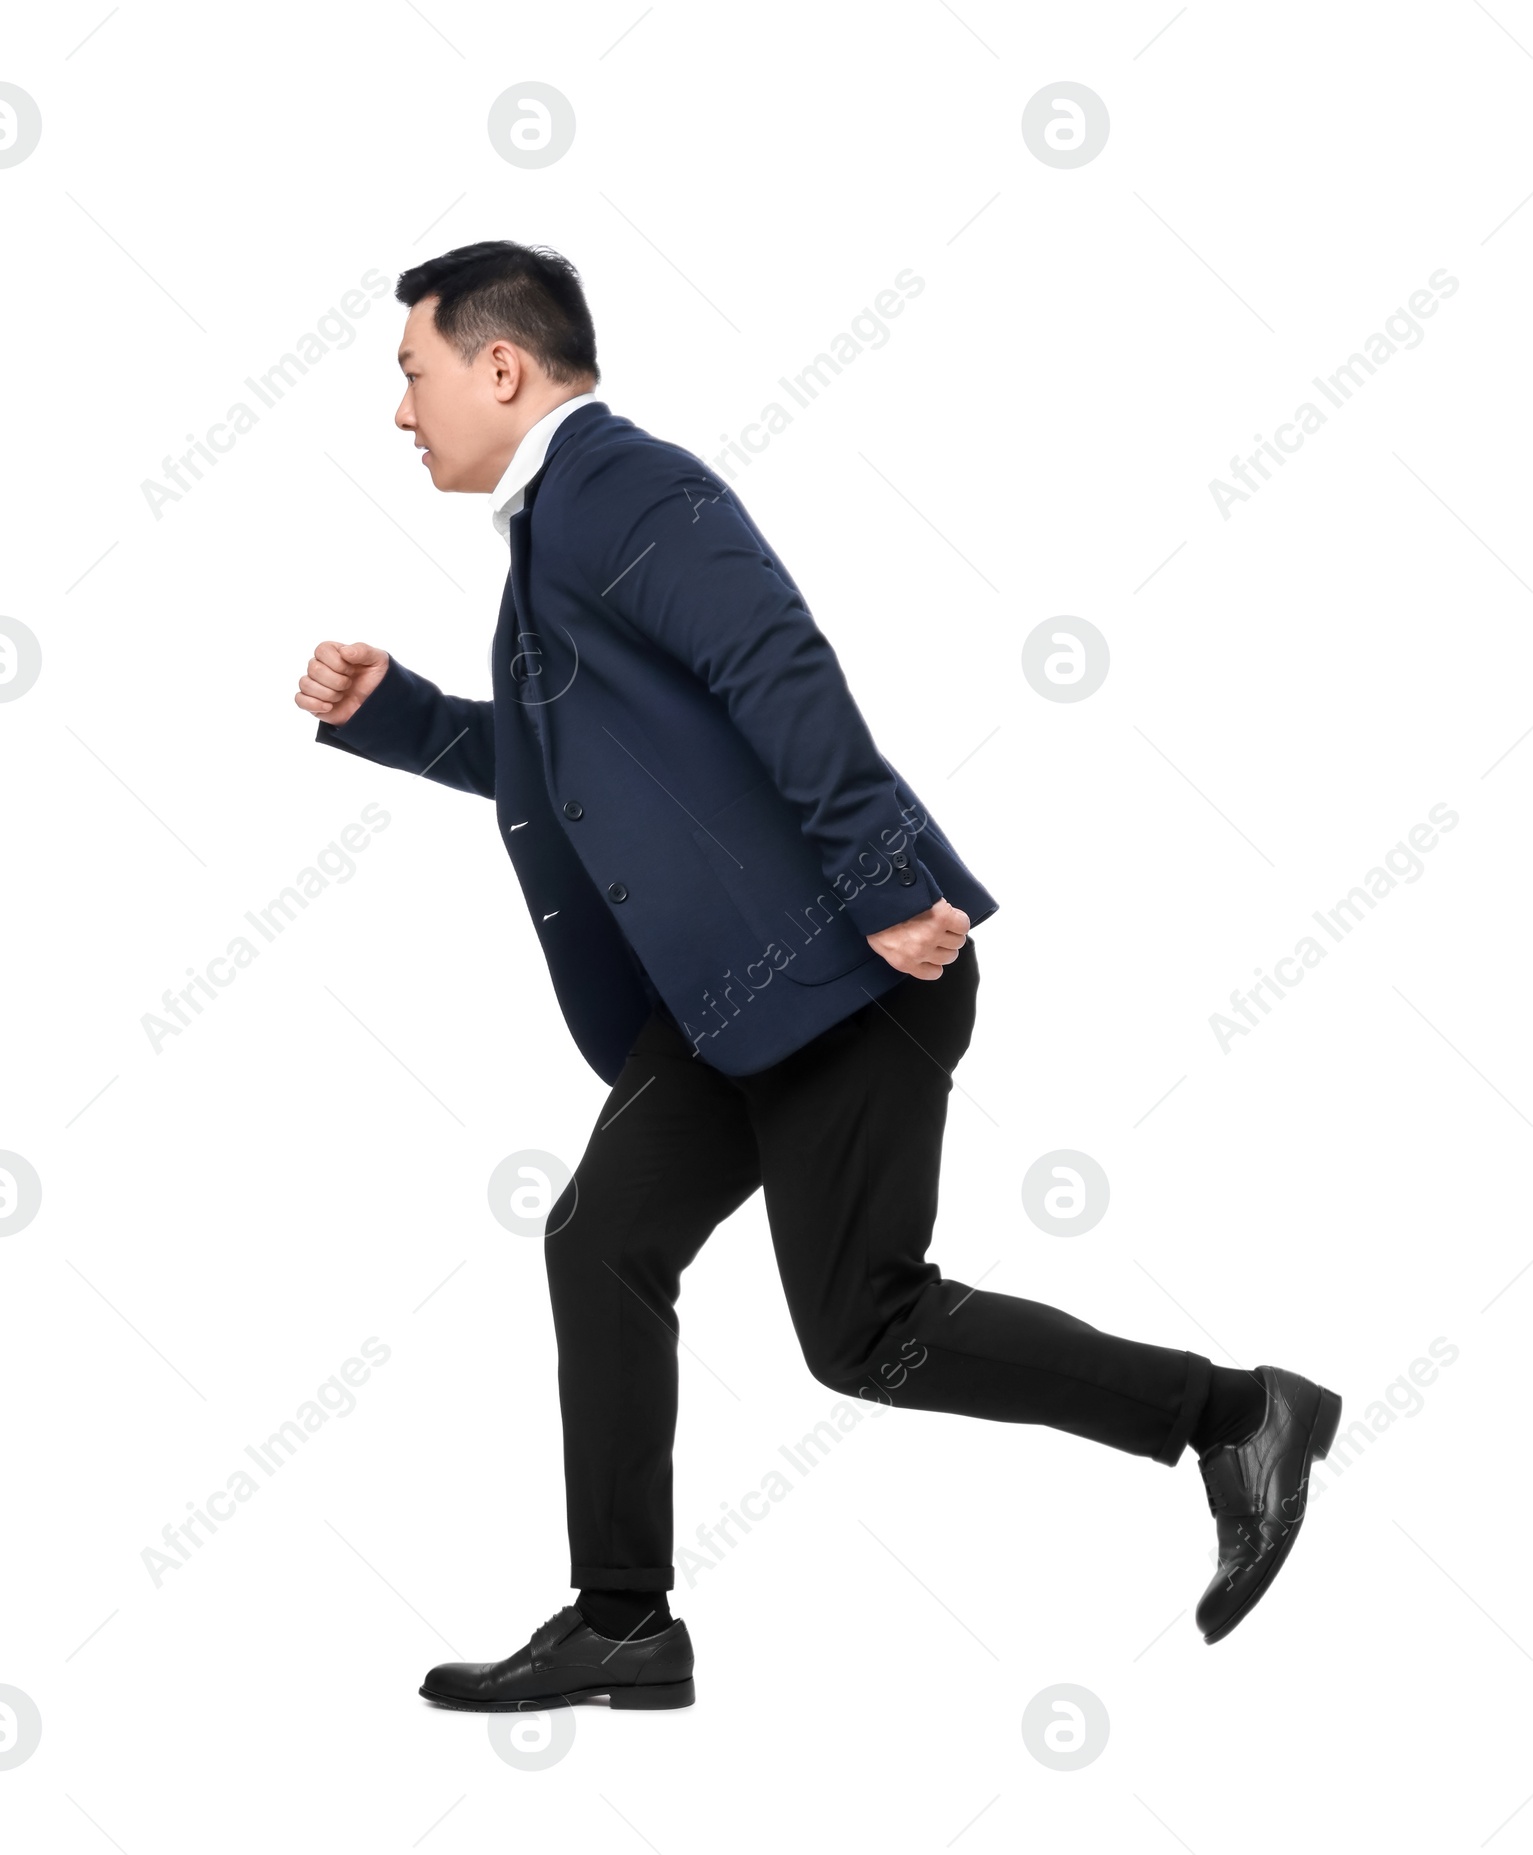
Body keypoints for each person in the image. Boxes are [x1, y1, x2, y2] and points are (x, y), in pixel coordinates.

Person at [294, 240, 1342, 1711]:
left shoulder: (622, 488)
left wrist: (882, 883)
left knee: (867, 1333)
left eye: (411, 375)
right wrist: (395, 715)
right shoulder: (550, 542)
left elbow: (773, 659)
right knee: (599, 1240)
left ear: (501, 367)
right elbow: (562, 773)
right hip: (737, 998)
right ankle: (623, 1623)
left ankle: (1241, 1415)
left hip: (845, 972)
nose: (401, 413)